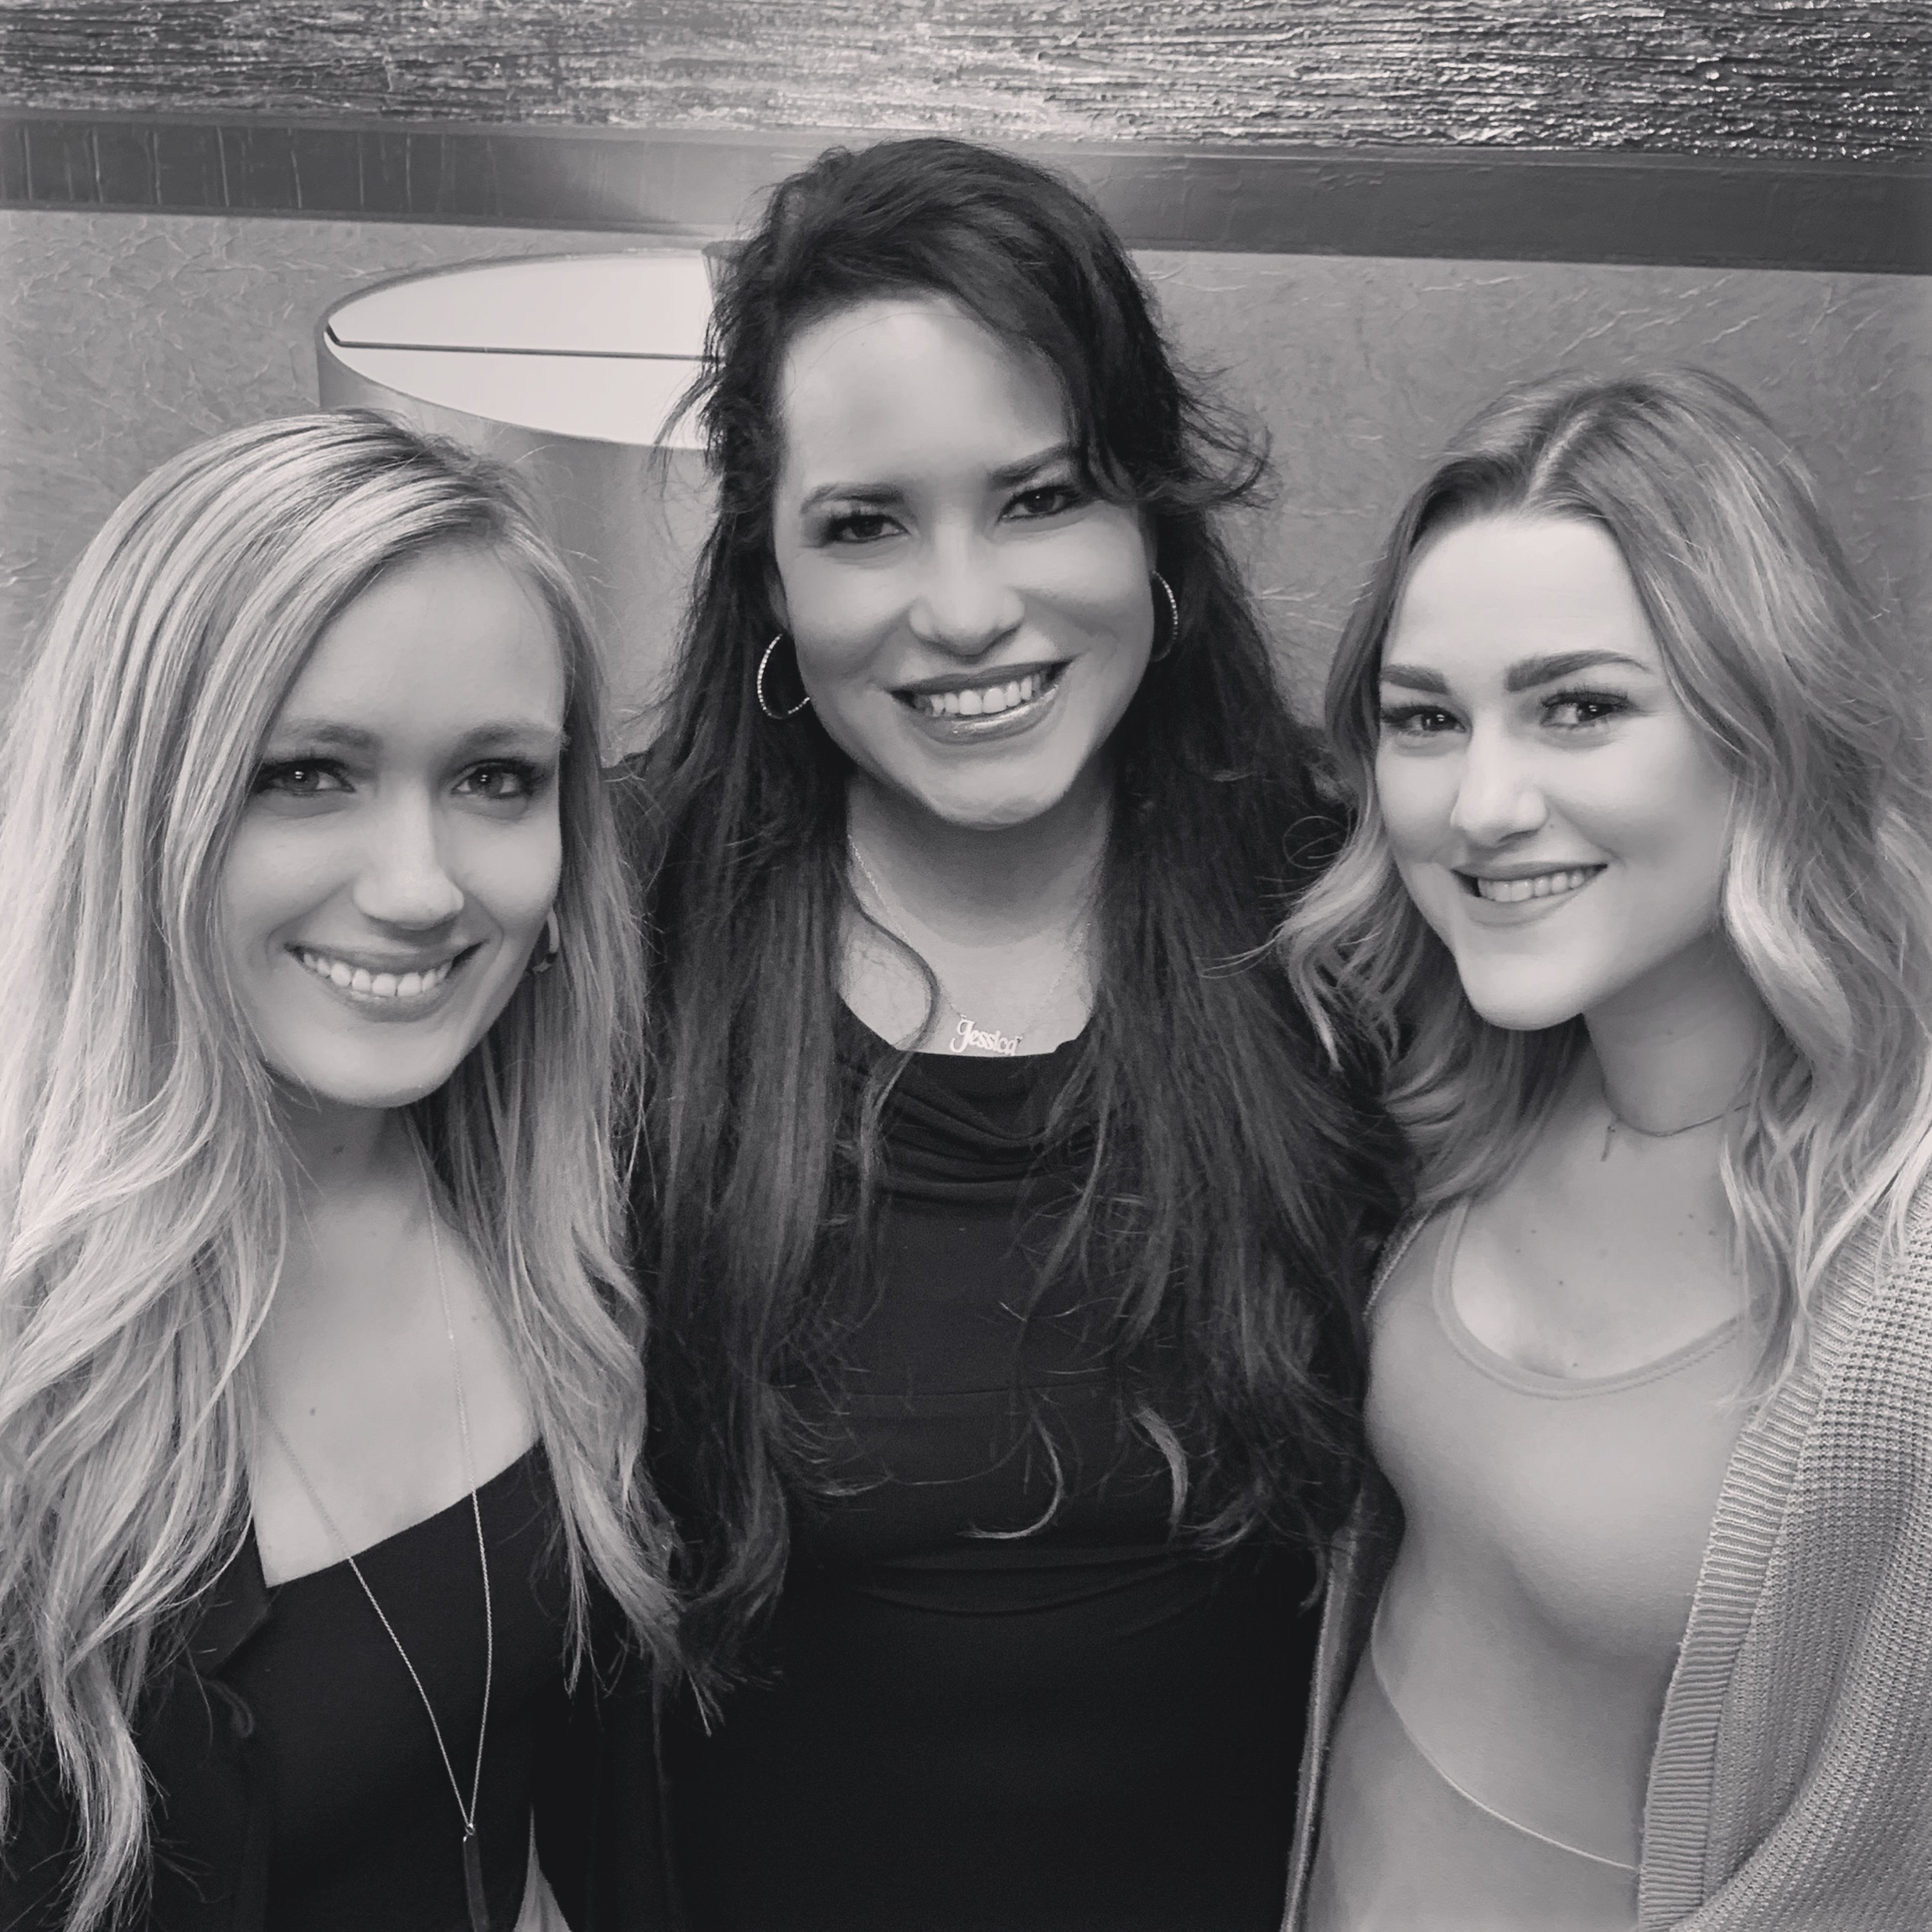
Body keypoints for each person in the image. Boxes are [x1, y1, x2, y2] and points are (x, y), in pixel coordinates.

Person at [620, 136, 1401, 1931]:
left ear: (1153, 519)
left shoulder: (1349, 921)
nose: (966, 608)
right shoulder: (620, 937)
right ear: (766, 579)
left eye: (1040, 496)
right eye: (865, 524)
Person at [0, 412, 676, 1932]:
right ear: (139, 807)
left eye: (496, 778)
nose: (420, 886)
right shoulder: (31, 1366)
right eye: (308, 772)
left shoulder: (558, 1228)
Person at [1277, 368, 1932, 1929]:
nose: (1481, 803)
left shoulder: (1903, 1273)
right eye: (1426, 719)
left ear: (1765, 722)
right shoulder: (1469, 1096)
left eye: (1577, 706)